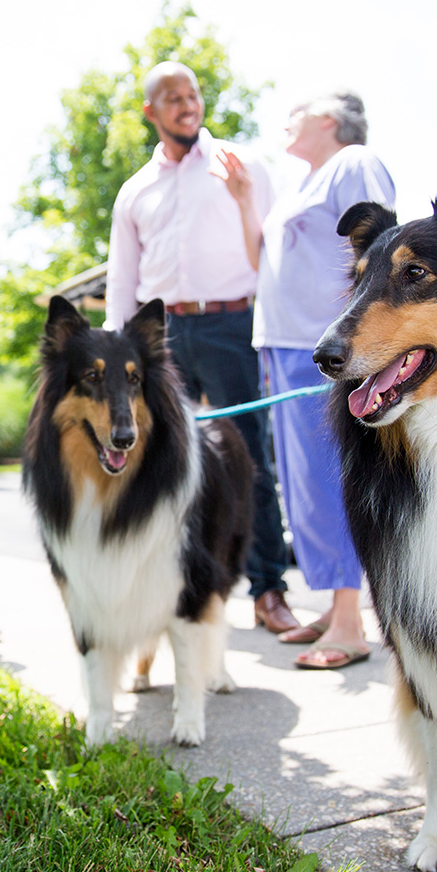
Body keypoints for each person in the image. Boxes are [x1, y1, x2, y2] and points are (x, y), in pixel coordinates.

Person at [105, 61, 298, 635]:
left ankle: (268, 590)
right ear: (150, 111)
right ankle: (169, 593)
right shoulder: (135, 190)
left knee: (250, 459)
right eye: (173, 97)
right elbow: (123, 277)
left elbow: (271, 251)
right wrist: (120, 350)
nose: (187, 105)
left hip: (231, 326)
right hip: (159, 339)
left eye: (192, 95)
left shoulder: (243, 166)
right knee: (160, 464)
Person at [218, 91, 395, 669]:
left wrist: (362, 340)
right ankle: (333, 609)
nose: (287, 120)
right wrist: (244, 199)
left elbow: (381, 249)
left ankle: (349, 623)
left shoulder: (352, 163)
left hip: (325, 349)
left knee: (328, 480)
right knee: (302, 488)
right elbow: (260, 260)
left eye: (298, 112)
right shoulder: (301, 184)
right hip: (282, 345)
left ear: (327, 119)